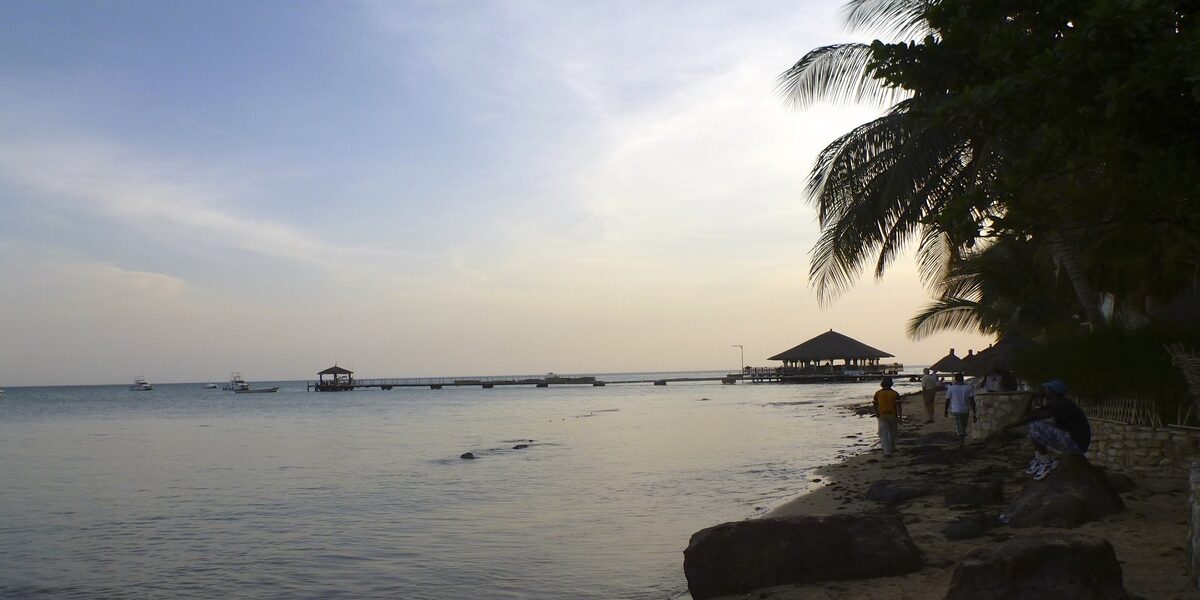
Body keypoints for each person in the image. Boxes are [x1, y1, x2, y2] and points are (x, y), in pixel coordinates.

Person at [1003, 380, 1091, 480]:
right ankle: (1040, 459)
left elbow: (1031, 418)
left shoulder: (1062, 405)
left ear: (1052, 391)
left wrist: (1005, 427)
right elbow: (1024, 416)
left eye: (1046, 389)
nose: (1044, 390)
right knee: (1033, 426)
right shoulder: (1054, 403)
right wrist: (1031, 398)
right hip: (1072, 441)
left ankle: (1046, 463)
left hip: (1077, 444)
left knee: (1034, 424)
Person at [943, 373, 976, 445]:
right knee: (963, 426)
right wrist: (974, 412)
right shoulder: (968, 387)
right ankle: (962, 442)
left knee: (959, 427)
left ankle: (961, 443)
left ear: (955, 379)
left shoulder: (951, 388)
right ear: (963, 379)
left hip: (956, 409)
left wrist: (945, 410)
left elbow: (947, 400)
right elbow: (972, 400)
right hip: (965, 409)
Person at [873, 376, 901, 458]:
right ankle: (892, 447)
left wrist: (876, 414)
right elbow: (898, 406)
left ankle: (887, 452)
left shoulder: (878, 393)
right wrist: (900, 416)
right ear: (891, 383)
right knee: (893, 433)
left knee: (883, 435)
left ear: (882, 383)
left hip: (882, 415)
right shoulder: (895, 393)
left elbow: (875, 405)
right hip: (893, 415)